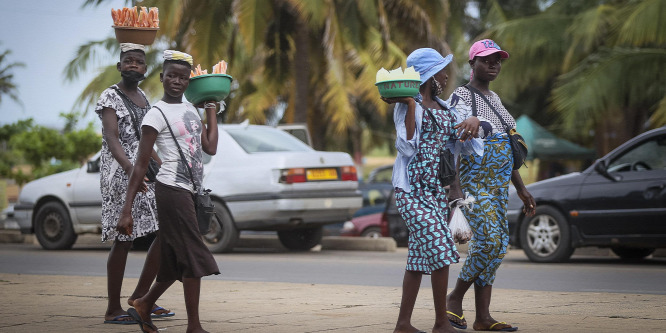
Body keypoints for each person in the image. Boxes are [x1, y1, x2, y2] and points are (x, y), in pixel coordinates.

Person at [383, 48, 488, 333]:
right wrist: (411, 105)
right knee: (443, 251)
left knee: (418, 261)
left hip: (433, 193)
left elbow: (462, 142)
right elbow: (406, 146)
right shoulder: (406, 106)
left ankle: (402, 325)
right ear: (429, 74)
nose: (445, 74)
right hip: (411, 193)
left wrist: (476, 122)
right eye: (441, 69)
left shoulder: (445, 107)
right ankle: (442, 322)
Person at [119, 50, 220, 333]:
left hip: (190, 190)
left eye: (183, 77)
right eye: (172, 76)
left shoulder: (190, 110)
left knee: (178, 257)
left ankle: (144, 303)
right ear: (162, 78)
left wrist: (211, 107)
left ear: (189, 82)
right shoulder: (156, 114)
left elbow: (210, 147)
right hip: (170, 190)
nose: (177, 81)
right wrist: (126, 211)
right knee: (194, 255)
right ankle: (194, 327)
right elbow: (140, 164)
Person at [445, 39, 536, 332]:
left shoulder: (495, 99)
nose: (494, 65)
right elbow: (451, 145)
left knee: (498, 249)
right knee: (488, 243)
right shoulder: (461, 96)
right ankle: (454, 298)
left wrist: (520, 189)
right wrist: (454, 187)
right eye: (486, 60)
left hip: (498, 188)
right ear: (472, 64)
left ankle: (483, 318)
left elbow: (508, 148)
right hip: (474, 186)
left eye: (498, 60)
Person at [96, 42, 173, 325]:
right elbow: (112, 137)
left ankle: (142, 299)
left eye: (139, 62)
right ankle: (113, 309)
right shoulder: (110, 97)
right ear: (119, 66)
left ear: (145, 69)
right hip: (120, 174)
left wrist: (166, 168)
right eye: (128, 61)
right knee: (125, 238)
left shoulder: (143, 97)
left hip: (143, 171)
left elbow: (146, 141)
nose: (133, 65)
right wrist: (130, 170)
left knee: (166, 230)